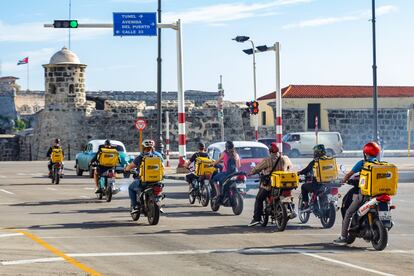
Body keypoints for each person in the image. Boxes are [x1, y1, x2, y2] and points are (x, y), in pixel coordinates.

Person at [334, 141, 381, 245]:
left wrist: (343, 180)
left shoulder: (362, 163)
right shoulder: (380, 164)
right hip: (378, 194)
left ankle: (343, 237)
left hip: (365, 194)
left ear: (365, 153)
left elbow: (349, 174)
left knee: (348, 212)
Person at [248, 142, 291, 226]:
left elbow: (257, 169)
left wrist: (251, 172)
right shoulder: (284, 158)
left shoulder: (267, 160)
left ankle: (256, 218)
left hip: (270, 185)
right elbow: (290, 166)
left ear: (270, 151)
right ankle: (290, 210)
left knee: (259, 198)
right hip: (282, 184)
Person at [124, 139, 164, 214]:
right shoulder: (159, 156)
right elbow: (163, 167)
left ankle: (135, 206)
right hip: (157, 181)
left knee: (131, 188)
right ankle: (159, 204)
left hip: (143, 181)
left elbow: (130, 167)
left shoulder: (140, 157)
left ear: (143, 148)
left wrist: (126, 169)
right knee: (158, 192)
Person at [297, 144, 328, 209]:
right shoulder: (329, 159)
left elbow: (307, 169)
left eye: (315, 152)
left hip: (317, 185)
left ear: (317, 152)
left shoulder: (315, 161)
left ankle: (305, 204)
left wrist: (299, 173)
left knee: (303, 187)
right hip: (329, 184)